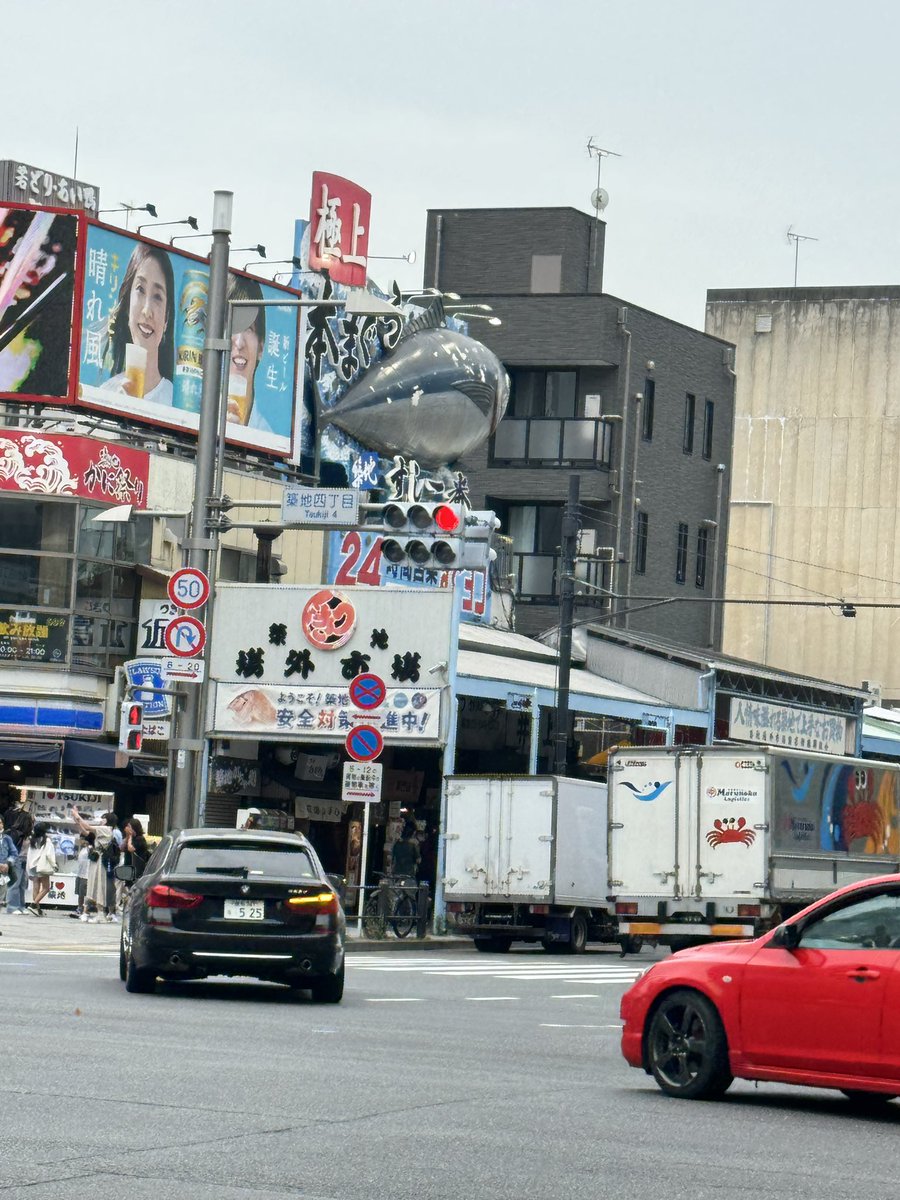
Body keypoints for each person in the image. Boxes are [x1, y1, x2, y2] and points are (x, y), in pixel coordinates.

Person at [101, 243, 175, 405]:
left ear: (167, 318)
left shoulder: (176, 403)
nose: (147, 311)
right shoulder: (105, 394)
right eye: (140, 289)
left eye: (157, 296)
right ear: (127, 304)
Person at [226, 274, 267, 428]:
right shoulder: (193, 412)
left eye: (249, 328)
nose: (239, 342)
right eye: (233, 326)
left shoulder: (269, 437)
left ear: (261, 348)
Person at [70, 806, 115, 922]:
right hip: (96, 860)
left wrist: (76, 814)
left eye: (104, 818)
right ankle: (91, 911)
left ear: (108, 820)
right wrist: (77, 820)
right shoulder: (103, 830)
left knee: (98, 885)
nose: (101, 820)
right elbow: (86, 831)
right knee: (93, 885)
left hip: (100, 861)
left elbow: (88, 827)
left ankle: (100, 913)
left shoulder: (107, 829)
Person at [2, 799, 33, 915]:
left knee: (22, 884)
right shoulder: (16, 833)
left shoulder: (25, 835)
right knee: (15, 883)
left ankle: (20, 905)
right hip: (17, 859)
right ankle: (12, 906)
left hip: (24, 859)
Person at [25, 823, 58, 916]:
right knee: (46, 888)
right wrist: (54, 865)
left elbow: (29, 855)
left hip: (33, 866)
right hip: (42, 866)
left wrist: (28, 869)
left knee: (36, 887)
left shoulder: (32, 841)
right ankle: (34, 905)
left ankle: (38, 910)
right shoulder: (47, 841)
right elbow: (49, 855)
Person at [121, 817, 150, 882]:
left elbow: (131, 848)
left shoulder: (140, 839)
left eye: (129, 827)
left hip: (136, 870)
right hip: (128, 868)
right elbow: (122, 848)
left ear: (134, 828)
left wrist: (130, 836)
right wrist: (127, 837)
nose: (128, 829)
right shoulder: (130, 839)